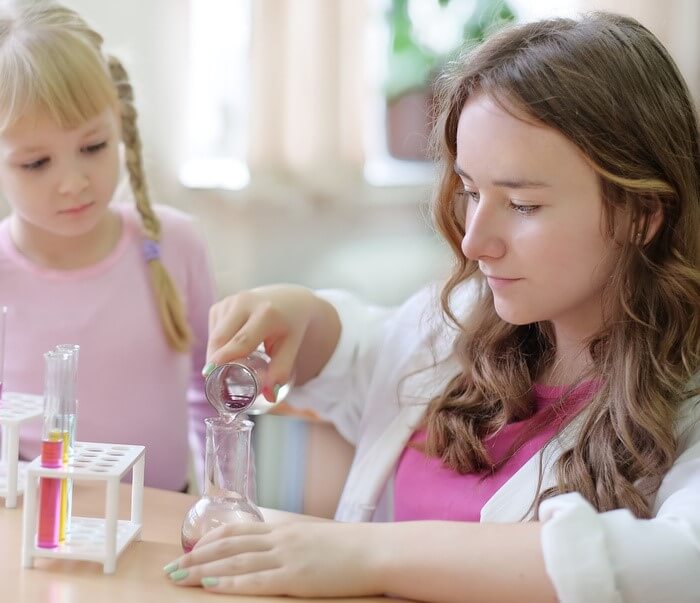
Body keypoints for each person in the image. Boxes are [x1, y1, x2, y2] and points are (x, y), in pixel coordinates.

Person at [165, 12, 700, 602]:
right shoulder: (466, 319)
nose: (474, 242)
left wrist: (367, 555)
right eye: (471, 191)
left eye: (522, 205)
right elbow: (364, 352)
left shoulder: (686, 403)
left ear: (642, 214)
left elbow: (677, 562)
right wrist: (301, 315)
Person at [0, 0, 216, 491]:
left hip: (163, 521)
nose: (73, 183)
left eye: (93, 147)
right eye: (36, 163)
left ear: (119, 125)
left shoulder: (173, 243)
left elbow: (211, 392)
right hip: (31, 530)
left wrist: (216, 500)